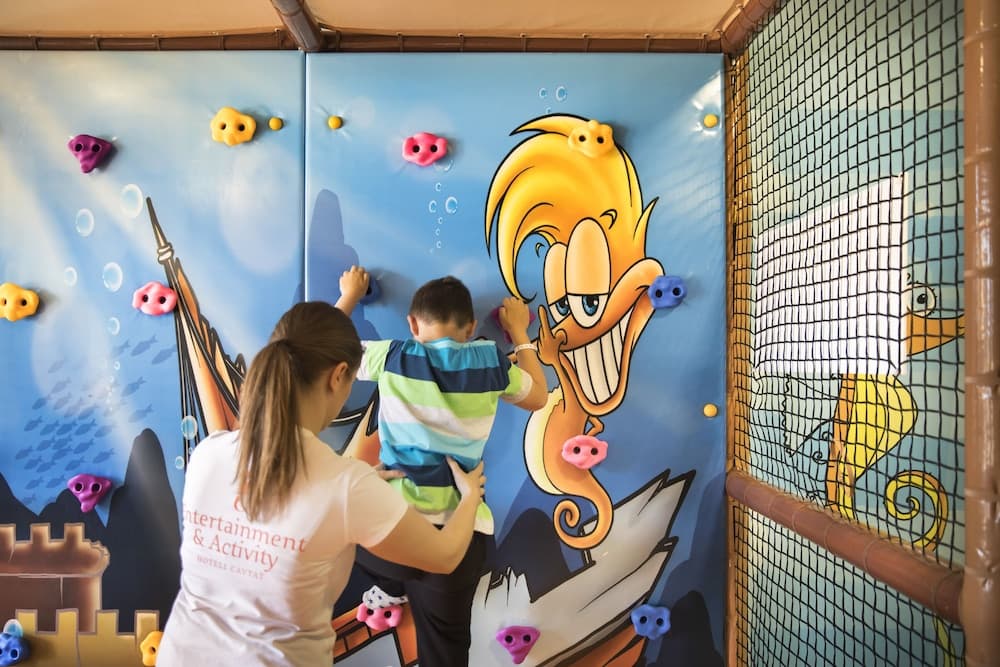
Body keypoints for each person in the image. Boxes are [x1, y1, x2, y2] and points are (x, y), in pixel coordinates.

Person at [157, 301, 486, 667]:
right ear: (338, 375)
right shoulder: (345, 486)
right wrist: (469, 495)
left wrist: (359, 489)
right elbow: (444, 556)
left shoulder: (209, 452)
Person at [336, 267, 548, 667]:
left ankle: (392, 583)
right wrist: (519, 333)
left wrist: (349, 295)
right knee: (445, 653)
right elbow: (538, 397)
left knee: (340, 533)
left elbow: (322, 349)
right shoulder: (490, 361)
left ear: (413, 324)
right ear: (470, 328)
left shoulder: (392, 356)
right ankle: (397, 585)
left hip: (393, 535)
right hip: (459, 542)